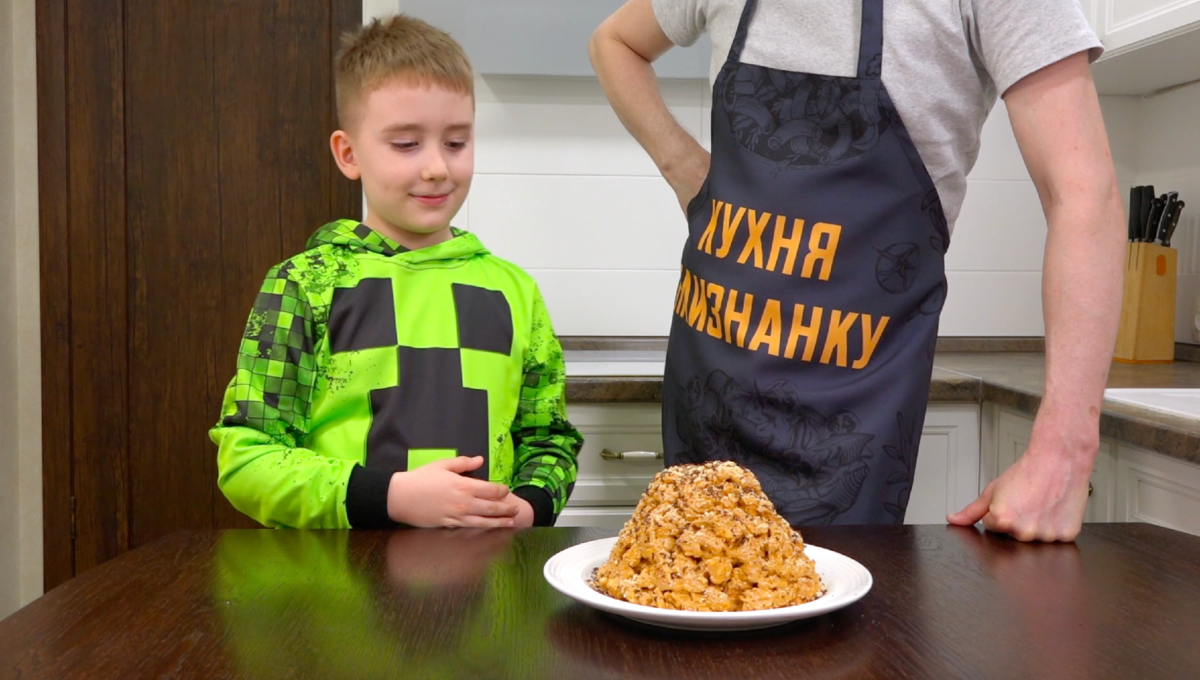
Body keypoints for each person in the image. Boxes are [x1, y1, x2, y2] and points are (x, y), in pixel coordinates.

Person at [589, 0, 1124, 541]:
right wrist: (685, 169)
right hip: (710, 378)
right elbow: (614, 43)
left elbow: (1083, 195)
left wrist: (1065, 452)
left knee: (839, 612)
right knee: (688, 589)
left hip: (849, 419)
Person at [210, 14, 582, 530]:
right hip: (341, 589)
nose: (437, 167)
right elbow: (248, 459)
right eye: (406, 144)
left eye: (456, 142)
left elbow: (550, 441)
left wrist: (529, 506)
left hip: (485, 587)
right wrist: (390, 496)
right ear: (349, 153)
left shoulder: (514, 291)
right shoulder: (305, 283)